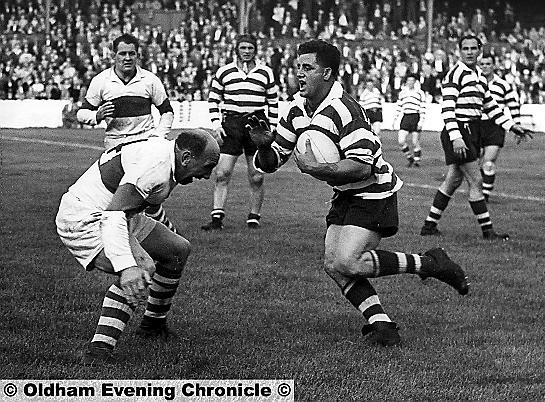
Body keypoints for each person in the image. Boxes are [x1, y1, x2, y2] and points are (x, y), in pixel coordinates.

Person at [247, 39, 469, 347]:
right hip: (345, 192)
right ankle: (383, 326)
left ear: (327, 73)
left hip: (374, 190)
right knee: (332, 264)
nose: (299, 74)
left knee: (348, 262)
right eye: (297, 67)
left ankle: (429, 263)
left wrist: (317, 169)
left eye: (307, 68)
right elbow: (272, 160)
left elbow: (362, 167)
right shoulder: (296, 109)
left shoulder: (346, 109)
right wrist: (262, 144)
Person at [55, 129, 220, 364]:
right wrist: (126, 266)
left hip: (120, 214)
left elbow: (143, 203)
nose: (207, 175)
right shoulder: (155, 167)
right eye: (207, 167)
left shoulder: (165, 156)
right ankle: (98, 352)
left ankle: (152, 326)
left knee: (177, 249)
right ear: (186, 158)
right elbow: (113, 215)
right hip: (86, 218)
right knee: (142, 267)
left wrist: (165, 230)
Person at [420, 35, 532, 240]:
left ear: (480, 50)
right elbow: (447, 108)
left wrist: (512, 126)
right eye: (465, 48)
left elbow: (490, 106)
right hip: (460, 132)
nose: (470, 52)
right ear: (459, 51)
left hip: (471, 131)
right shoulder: (456, 74)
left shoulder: (479, 76)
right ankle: (488, 231)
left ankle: (429, 226)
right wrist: (456, 137)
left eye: (473, 48)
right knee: (476, 180)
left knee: (453, 180)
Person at [76, 33, 177, 233]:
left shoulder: (149, 80)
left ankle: (163, 232)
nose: (127, 58)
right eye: (123, 53)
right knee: (116, 195)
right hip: (115, 147)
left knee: (146, 194)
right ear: (114, 55)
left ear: (138, 55)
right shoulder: (102, 81)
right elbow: (81, 113)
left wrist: (157, 137)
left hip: (143, 145)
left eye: (132, 53)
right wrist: (96, 115)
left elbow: (167, 112)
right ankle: (124, 235)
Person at [201, 34, 279, 231]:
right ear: (237, 49)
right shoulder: (224, 72)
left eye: (250, 48)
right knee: (222, 173)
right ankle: (217, 217)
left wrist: (274, 127)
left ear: (255, 50)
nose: (246, 52)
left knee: (256, 175)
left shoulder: (265, 73)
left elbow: (273, 102)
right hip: (232, 124)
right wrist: (217, 124)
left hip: (256, 124)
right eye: (243, 48)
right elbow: (213, 99)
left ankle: (254, 217)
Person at [478, 53, 522, 201]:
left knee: (488, 162)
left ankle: (485, 195)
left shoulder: (503, 84)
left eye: (488, 64)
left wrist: (517, 124)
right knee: (475, 163)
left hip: (496, 126)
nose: (485, 67)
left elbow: (513, 105)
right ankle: (479, 190)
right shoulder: (474, 83)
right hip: (477, 125)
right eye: (482, 64)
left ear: (494, 65)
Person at [393, 74, 426, 167]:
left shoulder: (420, 93)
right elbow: (399, 106)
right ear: (406, 82)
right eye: (409, 81)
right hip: (406, 117)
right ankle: (409, 157)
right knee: (401, 141)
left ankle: (416, 161)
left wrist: (421, 122)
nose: (410, 82)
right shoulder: (402, 93)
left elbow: (423, 108)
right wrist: (395, 119)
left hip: (415, 117)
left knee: (415, 142)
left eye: (412, 81)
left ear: (415, 82)